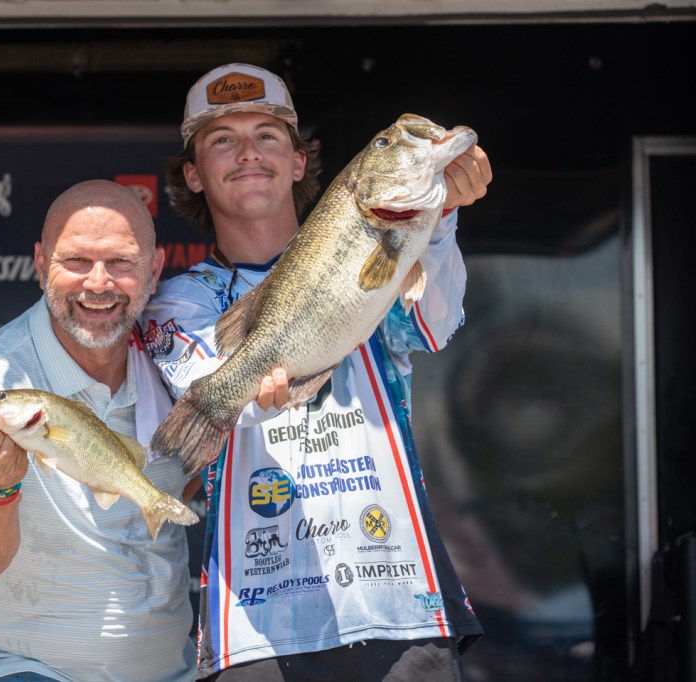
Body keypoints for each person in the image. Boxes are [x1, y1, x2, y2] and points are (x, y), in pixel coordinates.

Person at [141, 63, 493, 680]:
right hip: (256, 626)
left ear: (299, 161)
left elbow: (433, 325)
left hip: (400, 604)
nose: (248, 153)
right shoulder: (179, 302)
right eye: (222, 139)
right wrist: (255, 392)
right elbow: (209, 393)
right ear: (193, 173)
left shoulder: (373, 240)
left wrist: (440, 221)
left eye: (267, 135)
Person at [0, 179, 196, 682]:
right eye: (76, 261)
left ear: (155, 270)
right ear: (39, 264)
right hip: (14, 666)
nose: (99, 283)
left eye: (121, 262)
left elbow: (188, 477)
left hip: (166, 671)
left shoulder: (179, 363)